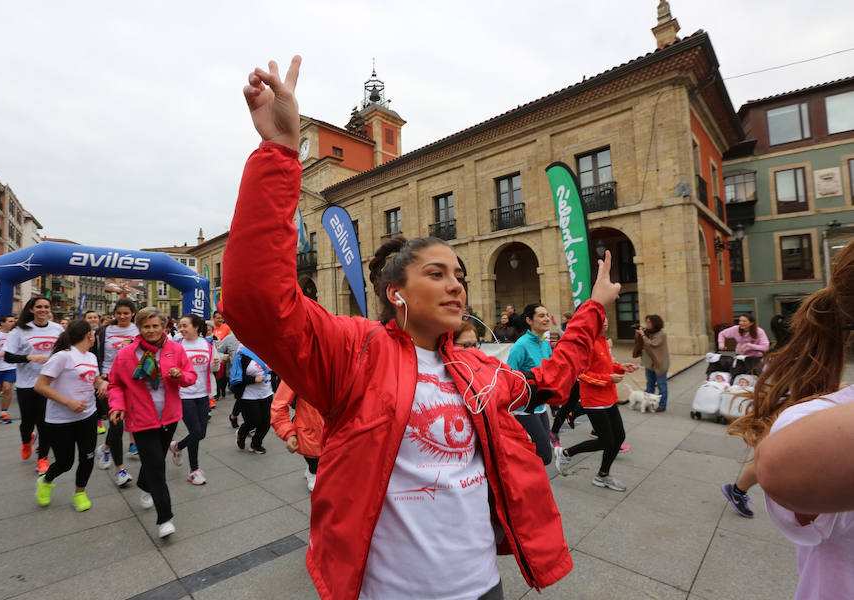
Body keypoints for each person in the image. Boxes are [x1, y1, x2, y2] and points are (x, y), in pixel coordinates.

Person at [221, 55, 621, 599]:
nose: (457, 284)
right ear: (396, 293)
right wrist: (279, 153)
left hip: (483, 587)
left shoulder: (481, 370)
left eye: (459, 274)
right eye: (437, 274)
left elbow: (549, 382)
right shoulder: (357, 352)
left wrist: (593, 310)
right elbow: (256, 302)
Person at [727, 240, 854, 599]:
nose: (740, 322)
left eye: (743, 319)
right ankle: (738, 488)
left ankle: (737, 488)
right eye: (740, 320)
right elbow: (781, 464)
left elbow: (764, 349)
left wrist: (750, 347)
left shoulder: (763, 340)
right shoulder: (812, 420)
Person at [107, 307, 196, 538]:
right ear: (139, 328)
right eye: (146, 326)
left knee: (155, 460)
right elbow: (115, 384)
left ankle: (145, 486)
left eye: (156, 325)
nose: (151, 330)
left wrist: (180, 376)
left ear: (164, 326)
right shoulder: (126, 354)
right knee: (157, 466)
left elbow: (190, 376)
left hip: (170, 416)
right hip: (141, 418)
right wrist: (117, 406)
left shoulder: (175, 349)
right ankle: (165, 519)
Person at [553, 318, 637, 490]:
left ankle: (602, 476)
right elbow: (582, 374)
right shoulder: (586, 344)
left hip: (609, 397)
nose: (605, 323)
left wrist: (621, 367)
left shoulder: (603, 341)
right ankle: (566, 453)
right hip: (593, 400)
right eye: (601, 320)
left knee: (619, 437)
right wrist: (608, 378)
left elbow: (606, 367)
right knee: (606, 441)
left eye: (606, 320)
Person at [33, 320, 100, 511]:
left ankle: (80, 492)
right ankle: (46, 481)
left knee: (87, 457)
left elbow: (91, 380)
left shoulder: (91, 357)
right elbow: (40, 386)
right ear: (88, 335)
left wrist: (101, 384)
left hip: (88, 415)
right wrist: (68, 402)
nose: (94, 336)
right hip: (60, 419)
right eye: (93, 333)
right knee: (65, 462)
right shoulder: (62, 357)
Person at [4, 297, 64, 474]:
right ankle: (25, 440)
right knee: (28, 422)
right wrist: (29, 357)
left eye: (46, 307)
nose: (43, 310)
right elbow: (8, 356)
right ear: (31, 309)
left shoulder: (57, 329)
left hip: (48, 382)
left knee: (45, 423)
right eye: (39, 307)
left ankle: (42, 459)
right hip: (26, 384)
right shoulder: (20, 330)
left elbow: (64, 351)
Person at [168, 314, 219, 484]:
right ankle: (194, 470)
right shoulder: (177, 345)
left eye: (184, 326)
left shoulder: (207, 344)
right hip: (184, 395)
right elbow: (170, 368)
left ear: (196, 327)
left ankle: (177, 446)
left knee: (201, 433)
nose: (181, 329)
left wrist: (216, 363)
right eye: (180, 326)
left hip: (203, 394)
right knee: (196, 432)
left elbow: (212, 368)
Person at [92, 298, 137, 486]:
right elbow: (92, 354)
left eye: (126, 313)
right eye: (119, 313)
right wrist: (98, 379)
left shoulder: (140, 330)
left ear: (133, 313)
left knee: (124, 422)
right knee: (117, 424)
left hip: (133, 380)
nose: (122, 316)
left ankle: (106, 447)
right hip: (109, 380)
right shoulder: (103, 331)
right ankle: (120, 470)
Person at [507, 303, 555, 465]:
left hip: (540, 406)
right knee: (544, 455)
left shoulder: (545, 343)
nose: (546, 318)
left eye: (547, 315)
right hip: (523, 409)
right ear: (529, 320)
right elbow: (508, 377)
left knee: (538, 452)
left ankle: (529, 482)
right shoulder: (521, 345)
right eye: (541, 316)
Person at [271, 381, 322, 492]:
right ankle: (312, 473)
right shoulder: (301, 367)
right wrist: (288, 433)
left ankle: (313, 470)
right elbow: (279, 405)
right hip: (310, 428)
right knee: (315, 460)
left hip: (339, 431)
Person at [229, 345, 273, 454]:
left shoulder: (269, 350)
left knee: (266, 422)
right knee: (254, 421)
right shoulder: (243, 354)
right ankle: (241, 432)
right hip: (248, 395)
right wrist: (254, 379)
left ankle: (256, 444)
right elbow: (236, 378)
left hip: (266, 392)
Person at [635, 314, 669, 412]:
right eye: (647, 322)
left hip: (660, 364)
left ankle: (662, 405)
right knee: (650, 384)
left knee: (662, 385)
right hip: (649, 363)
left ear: (655, 323)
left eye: (649, 322)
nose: (647, 324)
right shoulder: (648, 332)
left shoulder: (661, 333)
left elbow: (652, 344)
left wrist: (642, 334)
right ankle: (646, 403)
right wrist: (638, 333)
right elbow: (641, 343)